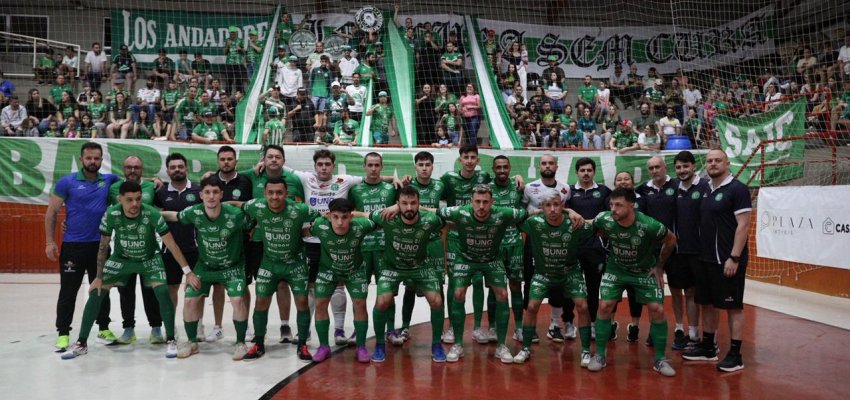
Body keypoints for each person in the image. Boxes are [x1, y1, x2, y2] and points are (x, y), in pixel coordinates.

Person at [59, 181, 188, 360]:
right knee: (96, 292)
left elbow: (171, 244)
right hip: (122, 259)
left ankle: (171, 340)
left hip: (149, 258)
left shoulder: (150, 213)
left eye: (138, 199)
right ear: (120, 199)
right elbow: (103, 247)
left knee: (163, 291)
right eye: (129, 200)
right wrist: (98, 277)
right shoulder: (111, 214)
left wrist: (187, 270)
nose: (135, 204)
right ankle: (81, 343)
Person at [586, 187, 678, 377]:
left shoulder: (649, 225)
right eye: (611, 204)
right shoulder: (605, 219)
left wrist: (660, 266)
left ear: (632, 205)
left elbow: (671, 240)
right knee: (605, 305)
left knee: (658, 309)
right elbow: (591, 226)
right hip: (616, 269)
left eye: (618, 205)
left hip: (644, 272)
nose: (613, 209)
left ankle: (660, 359)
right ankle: (600, 355)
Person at [161, 176, 251, 360]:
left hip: (232, 267)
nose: (211, 196)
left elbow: (254, 223)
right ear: (201, 195)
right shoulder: (194, 212)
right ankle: (192, 342)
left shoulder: (235, 215)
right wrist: (150, 213)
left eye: (215, 192)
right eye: (207, 192)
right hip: (205, 266)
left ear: (221, 195)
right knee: (189, 300)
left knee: (237, 300)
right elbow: (174, 216)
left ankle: (241, 342)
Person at [439, 184, 529, 363]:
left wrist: (568, 212)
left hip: (492, 259)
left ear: (492, 202)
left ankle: (501, 346)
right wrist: (396, 207)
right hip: (466, 258)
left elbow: (530, 213)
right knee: (458, 293)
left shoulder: (503, 212)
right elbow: (432, 211)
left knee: (503, 294)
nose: (481, 206)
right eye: (477, 202)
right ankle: (458, 344)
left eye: (485, 202)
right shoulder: (460, 212)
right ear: (471, 201)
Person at [45, 142, 120, 352]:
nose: (93, 162)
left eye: (97, 158)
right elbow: (51, 213)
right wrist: (50, 242)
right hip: (73, 247)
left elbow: (133, 185)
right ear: (81, 159)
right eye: (89, 158)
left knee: (101, 289)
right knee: (69, 291)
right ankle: (63, 333)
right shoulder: (66, 182)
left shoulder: (109, 180)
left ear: (101, 159)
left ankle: (104, 328)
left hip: (100, 246)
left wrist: (155, 181)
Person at [682, 149, 752, 373]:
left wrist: (734, 257)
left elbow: (744, 225)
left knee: (733, 307)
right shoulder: (706, 190)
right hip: (706, 259)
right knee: (707, 304)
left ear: (727, 163)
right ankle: (708, 347)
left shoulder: (737, 189)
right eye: (710, 161)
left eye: (717, 160)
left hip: (728, 260)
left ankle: (735, 354)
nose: (713, 164)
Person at [242, 177, 320, 361]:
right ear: (264, 194)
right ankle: (259, 344)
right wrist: (251, 224)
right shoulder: (256, 206)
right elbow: (239, 206)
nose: (275, 196)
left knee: (302, 302)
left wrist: (307, 231)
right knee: (261, 301)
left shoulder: (299, 209)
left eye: (279, 193)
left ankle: (302, 345)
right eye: (271, 193)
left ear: (286, 194)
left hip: (296, 263)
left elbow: (320, 218)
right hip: (269, 263)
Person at [514, 190, 594, 365]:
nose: (552, 209)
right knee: (532, 306)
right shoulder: (534, 222)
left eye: (556, 205)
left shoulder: (574, 223)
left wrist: (572, 213)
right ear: (542, 207)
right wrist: (534, 211)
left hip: (570, 273)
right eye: (547, 205)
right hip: (543, 274)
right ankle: (526, 349)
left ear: (563, 206)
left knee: (582, 305)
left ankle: (586, 351)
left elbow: (598, 226)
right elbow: (514, 218)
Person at [370, 185, 447, 362]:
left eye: (413, 203)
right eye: (404, 203)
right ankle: (379, 345)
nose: (409, 208)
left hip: (421, 266)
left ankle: (436, 345)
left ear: (420, 203)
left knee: (436, 301)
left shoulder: (430, 219)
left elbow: (449, 220)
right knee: (382, 302)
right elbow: (361, 215)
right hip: (392, 267)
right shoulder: (386, 217)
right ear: (397, 204)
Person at [310, 198, 377, 363]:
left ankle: (361, 346)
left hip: (355, 271)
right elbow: (303, 232)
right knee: (320, 304)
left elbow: (380, 219)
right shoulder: (319, 225)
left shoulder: (362, 225)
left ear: (351, 216)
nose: (340, 222)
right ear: (329, 215)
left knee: (360, 304)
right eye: (336, 217)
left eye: (345, 217)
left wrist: (361, 213)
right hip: (328, 270)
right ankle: (324, 346)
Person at [107, 156, 162, 344]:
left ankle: (156, 329)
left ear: (142, 169)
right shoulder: (114, 188)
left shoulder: (151, 187)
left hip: (147, 250)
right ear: (123, 168)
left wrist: (154, 180)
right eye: (129, 167)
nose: (132, 170)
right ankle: (128, 330)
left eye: (136, 167)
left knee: (150, 291)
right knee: (125, 291)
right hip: (124, 250)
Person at [348, 153, 399, 344]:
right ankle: (357, 330)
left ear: (382, 166)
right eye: (370, 165)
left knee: (388, 292)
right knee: (358, 293)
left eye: (377, 165)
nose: (373, 169)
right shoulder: (355, 190)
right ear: (364, 166)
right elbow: (348, 214)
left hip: (386, 248)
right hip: (362, 248)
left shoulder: (391, 188)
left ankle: (391, 330)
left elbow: (402, 207)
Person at [400, 152, 447, 339]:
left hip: (434, 242)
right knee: (410, 286)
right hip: (413, 242)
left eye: (428, 164)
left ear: (433, 166)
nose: (424, 167)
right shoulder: (407, 186)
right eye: (421, 164)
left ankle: (440, 327)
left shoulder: (440, 185)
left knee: (438, 286)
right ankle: (404, 326)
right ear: (415, 166)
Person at [565, 158, 611, 342]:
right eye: (582, 170)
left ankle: (592, 323)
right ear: (576, 172)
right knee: (569, 288)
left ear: (594, 172)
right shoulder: (569, 191)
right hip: (573, 248)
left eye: (589, 170)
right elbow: (560, 210)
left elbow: (609, 214)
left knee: (593, 288)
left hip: (594, 249)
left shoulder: (603, 191)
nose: (586, 173)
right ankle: (568, 323)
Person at [669, 150, 708, 350]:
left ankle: (702, 336)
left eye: (686, 166)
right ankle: (686, 331)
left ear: (693, 166)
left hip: (699, 252)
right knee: (682, 291)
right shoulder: (674, 188)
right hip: (679, 251)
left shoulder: (704, 187)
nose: (682, 170)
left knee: (699, 294)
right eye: (678, 167)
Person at [154, 153, 201, 310]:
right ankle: (171, 327)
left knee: (195, 289)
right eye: (173, 167)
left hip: (194, 249)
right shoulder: (161, 192)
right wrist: (152, 180)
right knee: (171, 289)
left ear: (186, 168)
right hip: (169, 250)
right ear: (167, 171)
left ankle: (197, 324)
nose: (177, 170)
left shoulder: (198, 190)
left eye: (180, 167)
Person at [223, 26, 246, 95]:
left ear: (236, 32)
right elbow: (224, 53)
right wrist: (227, 46)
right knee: (229, 80)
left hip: (238, 63)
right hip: (229, 63)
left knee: (239, 80)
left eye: (233, 32)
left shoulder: (240, 40)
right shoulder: (227, 40)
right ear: (229, 33)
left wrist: (240, 49)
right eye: (231, 33)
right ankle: (227, 95)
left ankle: (239, 95)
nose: (232, 34)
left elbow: (244, 52)